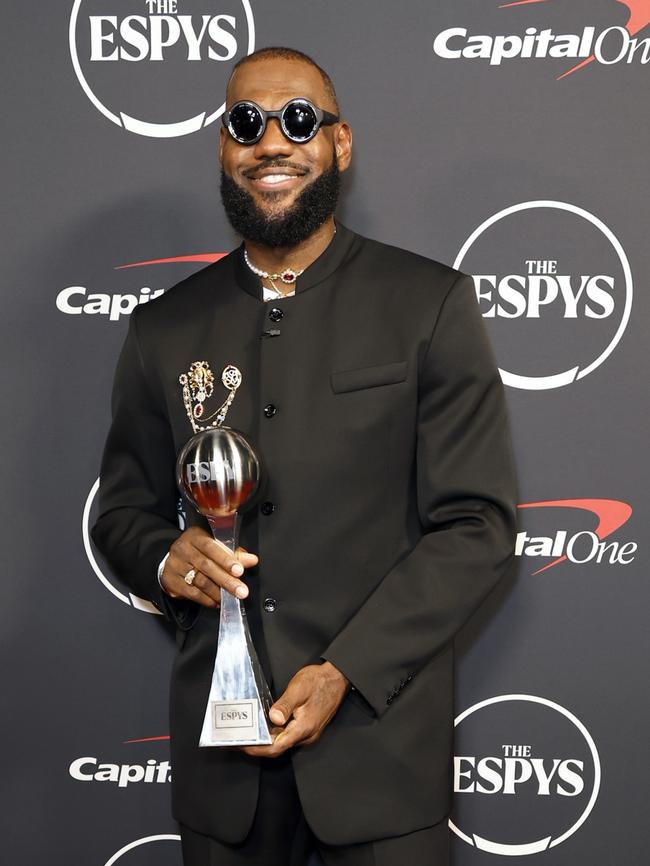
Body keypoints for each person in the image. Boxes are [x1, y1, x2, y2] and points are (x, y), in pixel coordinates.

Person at [92, 46, 517, 866]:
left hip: (381, 758)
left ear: (339, 144)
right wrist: (163, 556)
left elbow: (477, 525)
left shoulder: (428, 305)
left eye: (297, 120)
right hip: (225, 776)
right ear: (224, 147)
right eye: (247, 124)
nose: (271, 144)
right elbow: (120, 512)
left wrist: (343, 673)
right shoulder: (164, 328)